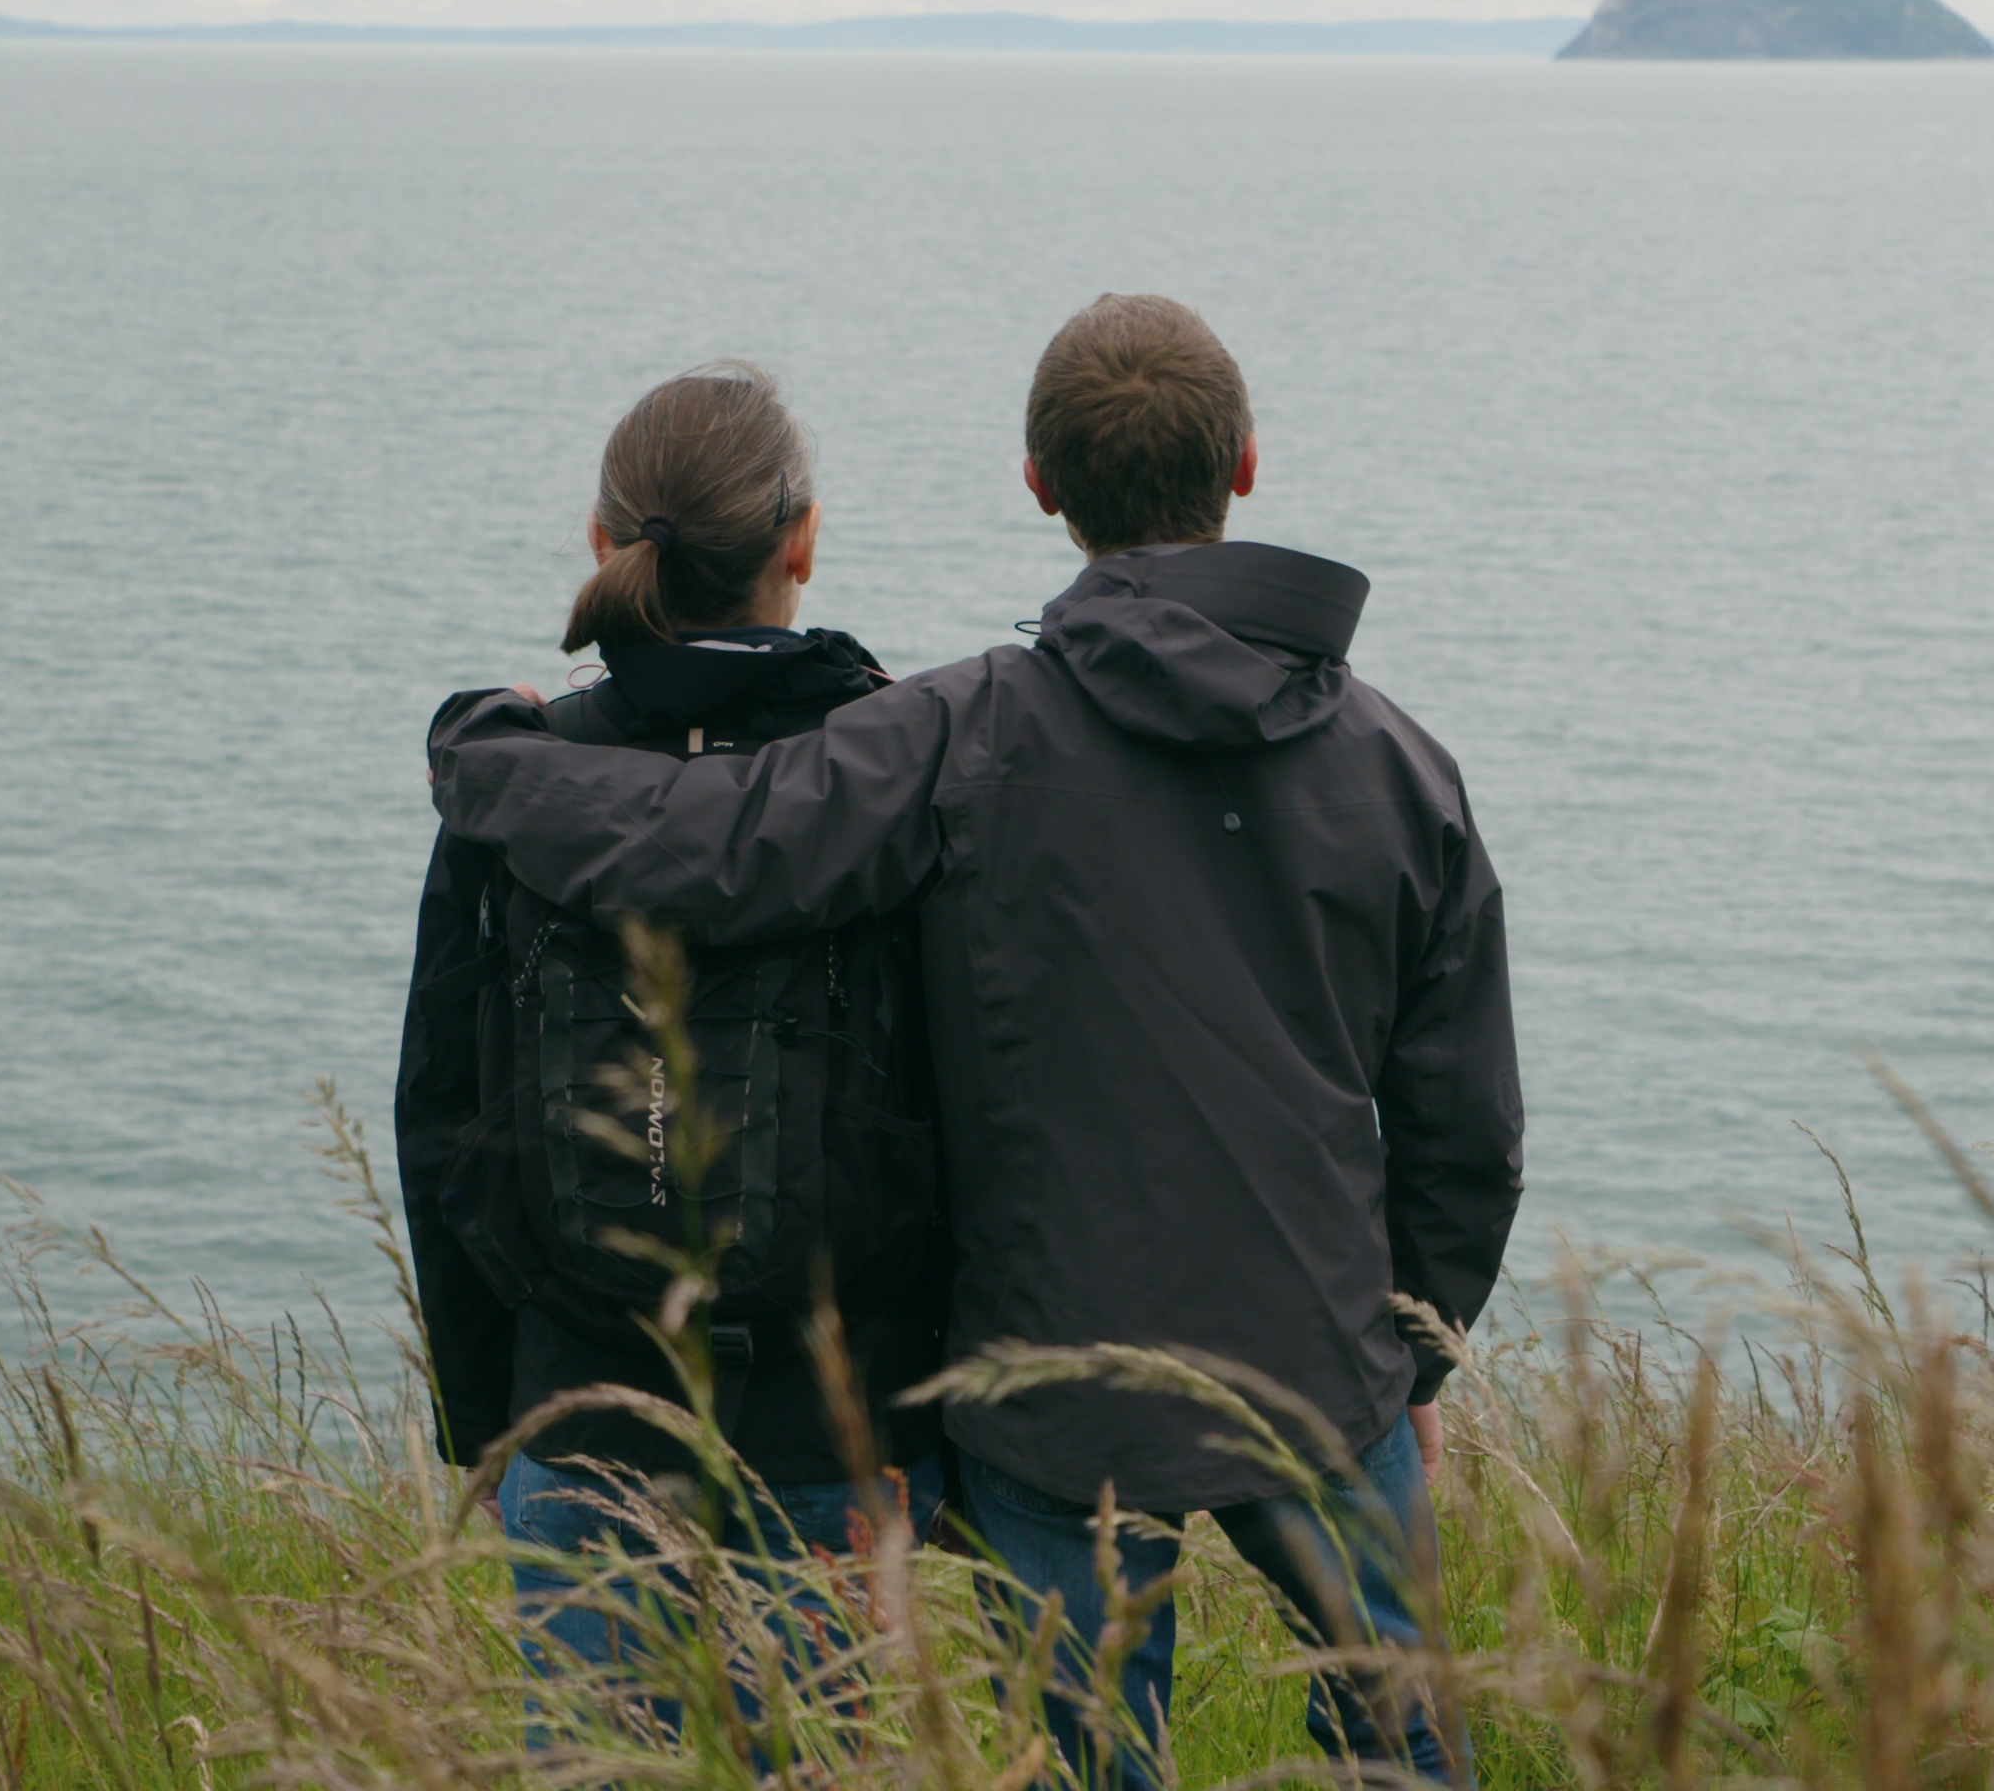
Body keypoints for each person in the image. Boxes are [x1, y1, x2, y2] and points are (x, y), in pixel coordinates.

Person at [425, 294, 1523, 1789]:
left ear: (1039, 485)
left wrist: (489, 756)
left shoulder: (959, 735)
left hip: (1050, 1396)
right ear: (1247, 466)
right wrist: (1418, 1354)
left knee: (1079, 1766)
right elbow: (1465, 1127)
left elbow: (706, 847)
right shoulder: (1403, 765)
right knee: (1403, 1748)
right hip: (1325, 1372)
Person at [393, 361, 949, 1747]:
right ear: (801, 545)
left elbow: (442, 1112)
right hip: (840, 1427)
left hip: (576, 1412)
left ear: (604, 547)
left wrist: (494, 1421)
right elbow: (972, 1102)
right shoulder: (891, 778)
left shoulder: (513, 786)